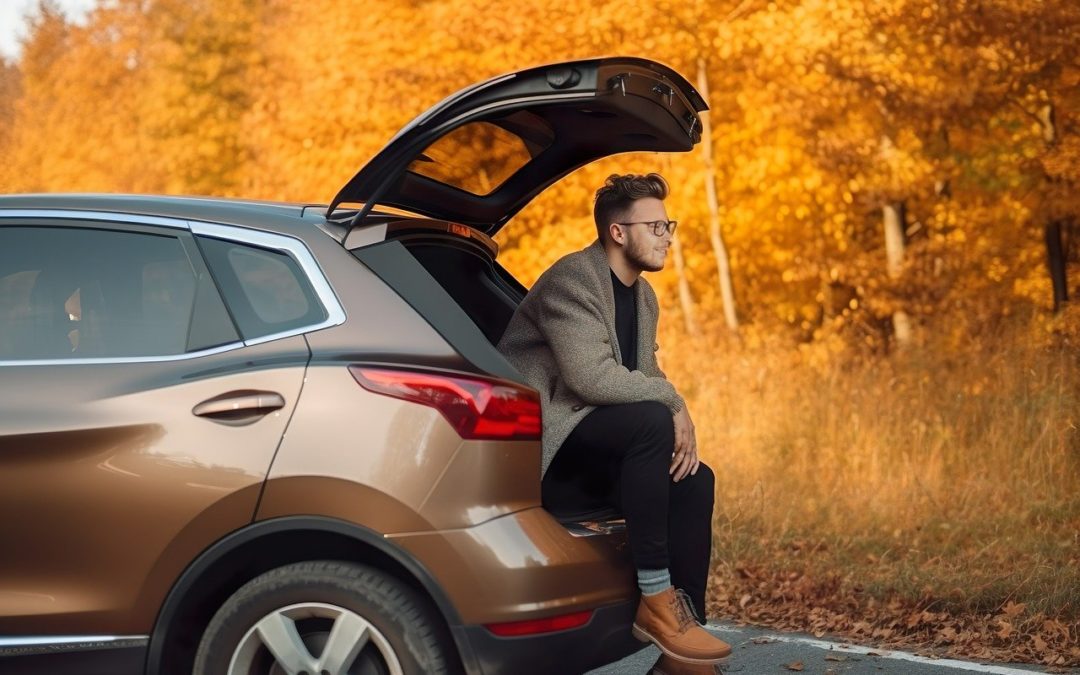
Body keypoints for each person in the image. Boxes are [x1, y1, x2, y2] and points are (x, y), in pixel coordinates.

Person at [497, 174, 731, 674]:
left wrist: (672, 403)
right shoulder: (573, 279)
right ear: (618, 233)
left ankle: (682, 648)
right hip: (548, 453)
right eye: (656, 226)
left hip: (599, 450)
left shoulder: (643, 298)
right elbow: (591, 379)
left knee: (695, 480)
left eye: (668, 225)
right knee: (651, 419)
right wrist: (673, 403)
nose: (668, 235)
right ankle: (655, 600)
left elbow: (646, 373)